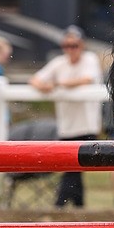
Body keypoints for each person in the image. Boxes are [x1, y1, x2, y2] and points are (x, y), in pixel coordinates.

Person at [29, 26, 103, 208]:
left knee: (73, 167)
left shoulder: (90, 59)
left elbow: (87, 79)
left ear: (82, 45)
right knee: (74, 168)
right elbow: (35, 79)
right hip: (67, 125)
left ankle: (60, 204)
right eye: (67, 45)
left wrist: (57, 84)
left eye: (74, 45)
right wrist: (44, 86)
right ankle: (78, 207)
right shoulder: (58, 63)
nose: (70, 49)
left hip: (87, 125)